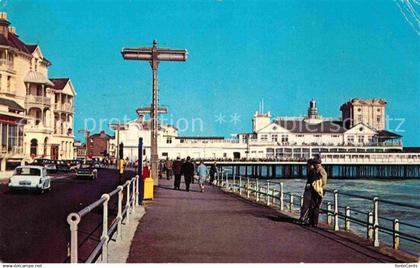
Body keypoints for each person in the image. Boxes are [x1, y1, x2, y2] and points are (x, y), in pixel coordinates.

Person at [308, 158, 328, 227]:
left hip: (318, 190)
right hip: (318, 190)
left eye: (314, 164)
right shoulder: (319, 170)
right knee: (314, 206)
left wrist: (321, 186)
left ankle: (314, 222)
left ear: (316, 164)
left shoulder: (320, 170)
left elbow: (324, 180)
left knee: (315, 206)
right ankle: (313, 222)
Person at [299, 159, 316, 224]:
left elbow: (311, 182)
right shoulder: (312, 171)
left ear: (311, 165)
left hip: (309, 191)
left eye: (308, 165)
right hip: (310, 191)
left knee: (306, 205)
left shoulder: (313, 172)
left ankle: (303, 218)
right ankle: (305, 218)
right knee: (307, 205)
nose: (307, 167)